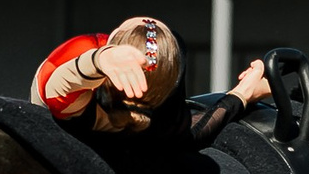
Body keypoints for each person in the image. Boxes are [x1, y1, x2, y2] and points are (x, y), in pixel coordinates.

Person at [34, 15, 271, 143]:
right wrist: (242, 93)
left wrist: (97, 60)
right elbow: (197, 130)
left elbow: (55, 87)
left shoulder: (83, 53)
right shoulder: (163, 125)